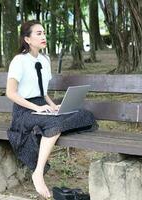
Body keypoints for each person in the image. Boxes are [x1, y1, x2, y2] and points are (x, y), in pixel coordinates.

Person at [6, 20, 98, 199]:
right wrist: (37, 108)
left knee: (84, 114)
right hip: (24, 111)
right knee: (55, 124)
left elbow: (43, 92)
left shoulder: (44, 60)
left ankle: (55, 117)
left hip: (43, 106)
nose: (43, 36)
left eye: (44, 33)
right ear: (27, 39)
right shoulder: (19, 61)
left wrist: (54, 105)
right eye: (38, 33)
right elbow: (11, 93)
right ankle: (38, 173)